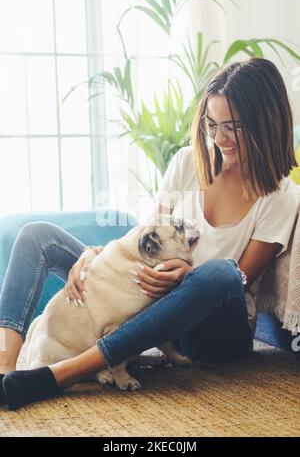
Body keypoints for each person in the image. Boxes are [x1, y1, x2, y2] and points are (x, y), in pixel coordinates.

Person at [0, 58, 299, 410]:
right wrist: (95, 254)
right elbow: (144, 238)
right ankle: (7, 367)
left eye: (233, 127)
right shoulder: (189, 162)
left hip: (211, 330)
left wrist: (187, 277)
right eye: (212, 125)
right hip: (148, 296)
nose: (219, 139)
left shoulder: (280, 197)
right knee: (39, 235)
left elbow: (241, 281)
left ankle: (64, 373)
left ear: (265, 123)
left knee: (221, 272)